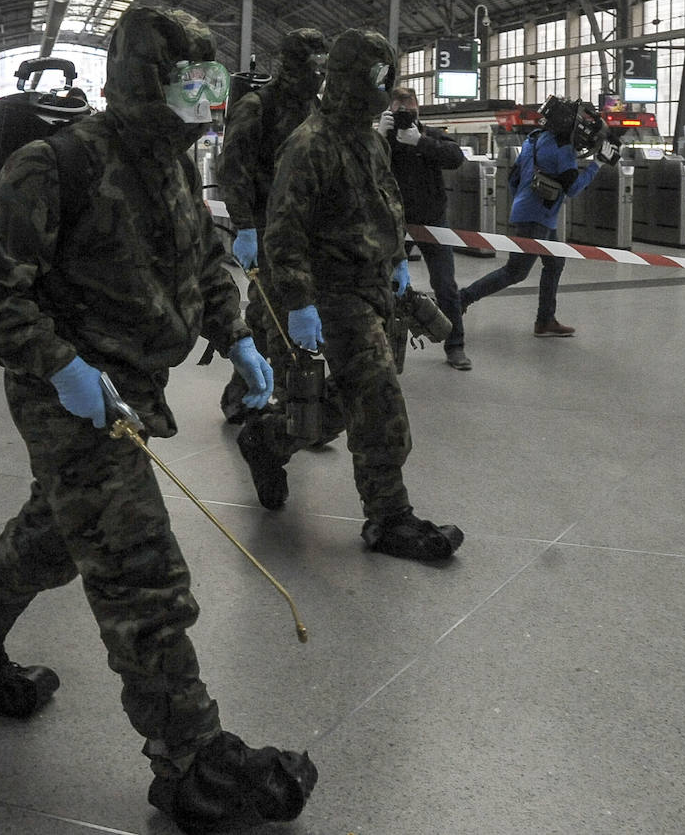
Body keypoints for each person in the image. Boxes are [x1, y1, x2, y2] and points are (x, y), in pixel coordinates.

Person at [0, 7, 315, 835]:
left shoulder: (169, 161)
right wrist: (62, 367)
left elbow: (201, 254)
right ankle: (191, 759)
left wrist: (235, 335)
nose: (207, 99)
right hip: (65, 389)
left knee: (55, 534)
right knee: (140, 569)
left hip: (131, 383)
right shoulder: (54, 163)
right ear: (146, 80)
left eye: (211, 84)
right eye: (190, 82)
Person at [238, 28, 465, 563]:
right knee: (380, 400)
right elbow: (284, 232)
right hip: (330, 294)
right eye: (377, 78)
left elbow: (386, 205)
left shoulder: (367, 138)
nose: (384, 88)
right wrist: (298, 305)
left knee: (343, 403)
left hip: (372, 288)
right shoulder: (309, 144)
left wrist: (396, 264)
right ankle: (389, 518)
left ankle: (269, 439)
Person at [215, 27, 332, 426]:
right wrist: (244, 226)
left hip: (306, 230)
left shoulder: (316, 107)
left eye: (323, 65)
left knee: (269, 317)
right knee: (282, 313)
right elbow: (233, 168)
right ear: (293, 63)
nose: (319, 73)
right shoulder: (257, 105)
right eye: (313, 64)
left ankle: (241, 394)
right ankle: (285, 412)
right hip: (266, 228)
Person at [458, 95, 605, 337]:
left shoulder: (533, 139)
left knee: (555, 261)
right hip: (538, 217)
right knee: (515, 272)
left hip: (532, 212)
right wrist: (597, 164)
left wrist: (524, 203)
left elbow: (514, 178)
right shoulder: (563, 150)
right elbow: (574, 188)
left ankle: (545, 320)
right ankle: (463, 298)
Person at [377, 86, 469, 370]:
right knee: (382, 285)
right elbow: (362, 164)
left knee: (445, 286)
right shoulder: (383, 140)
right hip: (393, 223)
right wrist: (379, 137)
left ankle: (455, 346)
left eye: (410, 108)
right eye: (399, 108)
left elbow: (455, 157)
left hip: (432, 223)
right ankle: (380, 346)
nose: (404, 113)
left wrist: (420, 142)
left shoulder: (428, 135)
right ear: (389, 110)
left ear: (418, 110)